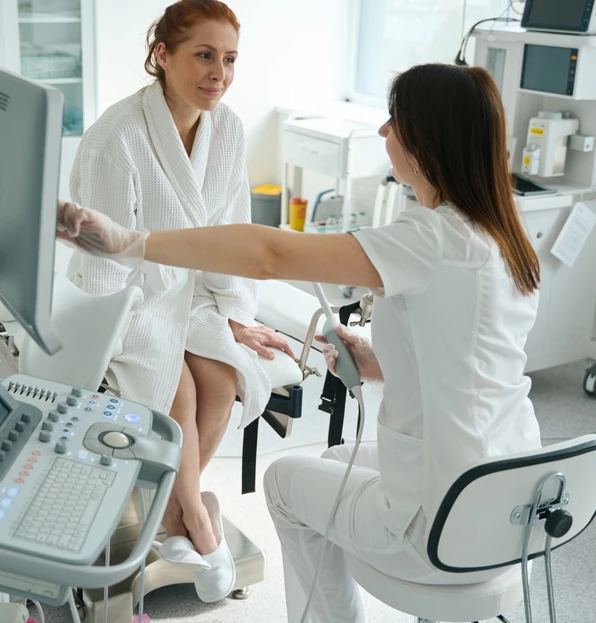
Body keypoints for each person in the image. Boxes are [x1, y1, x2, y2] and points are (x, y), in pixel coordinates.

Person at [57, 63, 544, 623]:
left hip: (444, 521)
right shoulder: (504, 234)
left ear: (429, 138)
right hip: (515, 495)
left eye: (394, 121)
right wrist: (376, 363)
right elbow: (470, 357)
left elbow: (271, 255)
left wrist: (132, 241)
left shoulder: (430, 237)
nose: (383, 134)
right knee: (333, 459)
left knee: (285, 483)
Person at [63, 0, 293, 603]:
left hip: (190, 293)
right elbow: (103, 264)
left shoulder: (229, 129)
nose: (219, 73)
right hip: (128, 297)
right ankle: (198, 523)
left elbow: (232, 233)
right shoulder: (116, 139)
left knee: (221, 377)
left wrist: (235, 314)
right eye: (203, 55)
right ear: (161, 54)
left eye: (231, 59)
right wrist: (108, 339)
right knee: (180, 393)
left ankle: (171, 514)